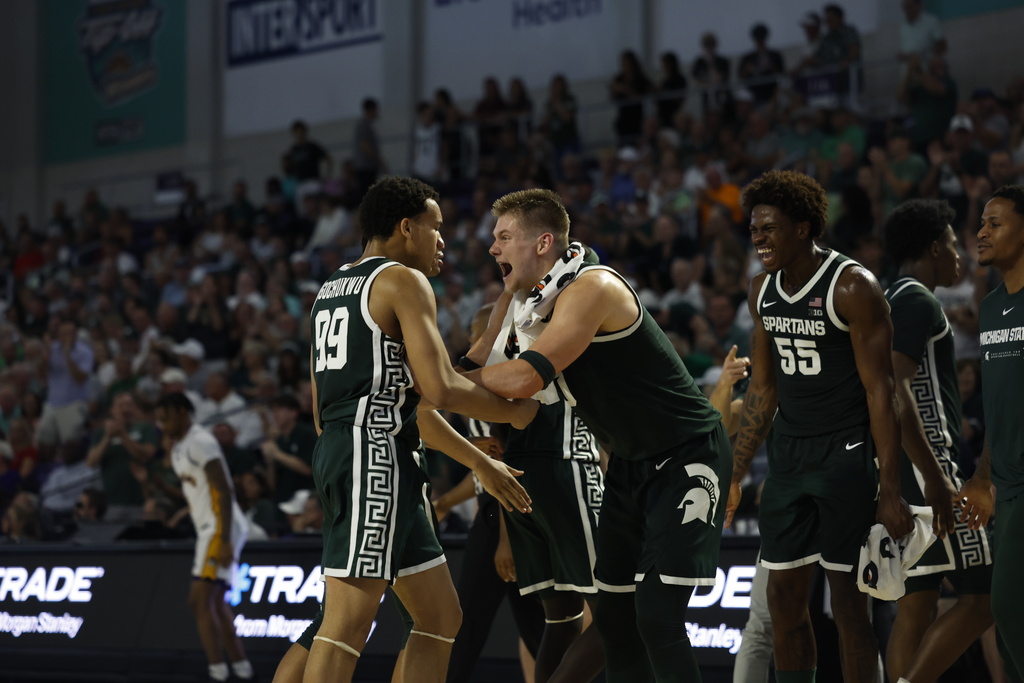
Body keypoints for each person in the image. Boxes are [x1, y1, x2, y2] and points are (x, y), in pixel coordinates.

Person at [466, 188, 731, 682]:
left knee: (655, 615)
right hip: (630, 463)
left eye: (503, 237)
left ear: (543, 243)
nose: (492, 248)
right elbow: (510, 399)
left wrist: (444, 386)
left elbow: (523, 380)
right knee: (613, 618)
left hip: (685, 455)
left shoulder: (593, 286)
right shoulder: (532, 303)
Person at [302, 176, 537, 683]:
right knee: (345, 623)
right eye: (436, 228)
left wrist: (476, 458)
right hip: (374, 455)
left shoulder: (331, 289)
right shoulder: (403, 281)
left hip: (360, 449)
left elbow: (323, 409)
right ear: (406, 228)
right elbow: (443, 388)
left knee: (439, 619)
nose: (443, 240)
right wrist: (512, 411)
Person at [725, 170, 913, 683]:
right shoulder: (760, 290)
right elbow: (762, 389)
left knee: (850, 609)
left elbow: (883, 391)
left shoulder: (853, 286)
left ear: (803, 228)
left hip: (845, 455)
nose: (758, 238)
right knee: (783, 603)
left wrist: (889, 488)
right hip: (789, 458)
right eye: (754, 229)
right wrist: (736, 473)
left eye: (769, 228)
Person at [462, 277, 605, 682]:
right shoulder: (558, 323)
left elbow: (501, 414)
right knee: (618, 613)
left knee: (561, 619)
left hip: (524, 486)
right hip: (565, 464)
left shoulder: (502, 353)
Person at [882, 199, 994, 683]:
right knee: (985, 595)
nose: (959, 256)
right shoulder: (916, 300)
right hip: (931, 467)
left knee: (919, 599)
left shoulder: (895, 295)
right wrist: (933, 478)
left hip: (905, 467)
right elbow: (894, 385)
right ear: (932, 248)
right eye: (951, 246)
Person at [960, 184, 1024, 679]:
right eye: (981, 223)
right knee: (1006, 626)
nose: (981, 233)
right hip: (1005, 488)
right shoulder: (990, 308)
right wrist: (982, 477)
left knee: (1007, 610)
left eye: (995, 223)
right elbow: (998, 409)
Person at [155, 392, 254, 683]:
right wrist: (159, 484)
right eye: (159, 421)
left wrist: (224, 539)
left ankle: (217, 671)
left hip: (219, 526)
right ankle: (241, 668)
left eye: (166, 417)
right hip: (209, 527)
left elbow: (223, 490)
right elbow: (191, 491)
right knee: (215, 602)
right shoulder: (179, 448)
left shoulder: (201, 441)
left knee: (199, 601)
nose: (163, 425)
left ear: (183, 412)